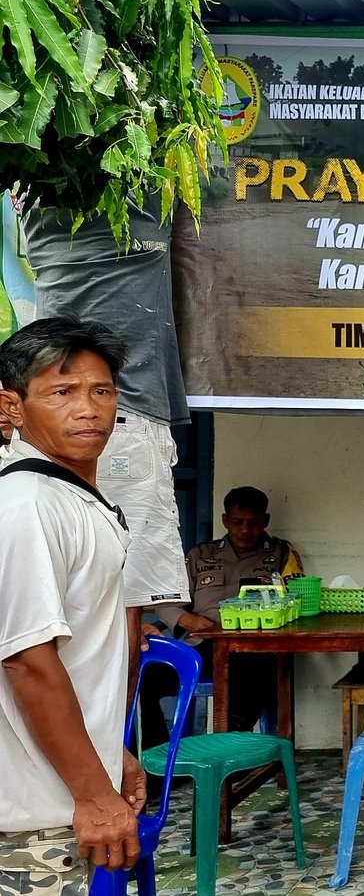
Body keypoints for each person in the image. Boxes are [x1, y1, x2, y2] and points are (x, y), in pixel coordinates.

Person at [0, 317, 143, 894]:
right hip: (35, 817)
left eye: (101, 390)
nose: (88, 409)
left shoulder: (71, 498)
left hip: (61, 796)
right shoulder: (28, 505)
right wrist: (95, 793)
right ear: (11, 406)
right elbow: (27, 660)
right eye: (62, 392)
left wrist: (111, 754)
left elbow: (81, 652)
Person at [25, 199, 192, 650]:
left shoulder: (36, 212)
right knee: (127, 604)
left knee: (68, 594)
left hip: (51, 424)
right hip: (120, 418)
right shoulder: (140, 202)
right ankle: (114, 699)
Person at [138, 486, 304, 750]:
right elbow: (167, 602)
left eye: (254, 523)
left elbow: (297, 599)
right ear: (225, 520)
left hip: (254, 649)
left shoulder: (281, 554)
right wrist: (186, 620)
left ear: (266, 520)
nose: (245, 530)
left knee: (258, 672)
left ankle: (232, 748)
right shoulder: (200, 555)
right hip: (201, 648)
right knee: (147, 678)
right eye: (237, 522)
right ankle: (159, 757)